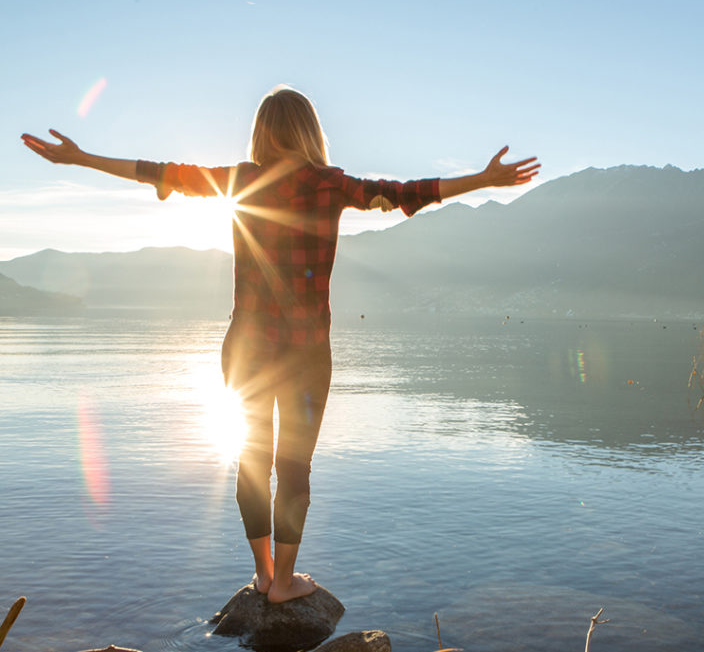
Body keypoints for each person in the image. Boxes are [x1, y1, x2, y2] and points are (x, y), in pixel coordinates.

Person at [22, 85, 540, 603]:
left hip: (246, 345)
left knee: (251, 459)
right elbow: (407, 192)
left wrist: (81, 158)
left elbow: (157, 172)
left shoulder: (241, 181)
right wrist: (484, 179)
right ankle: (286, 582)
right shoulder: (331, 184)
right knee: (294, 466)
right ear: (311, 131)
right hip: (307, 351)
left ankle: (265, 573)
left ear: (261, 132)